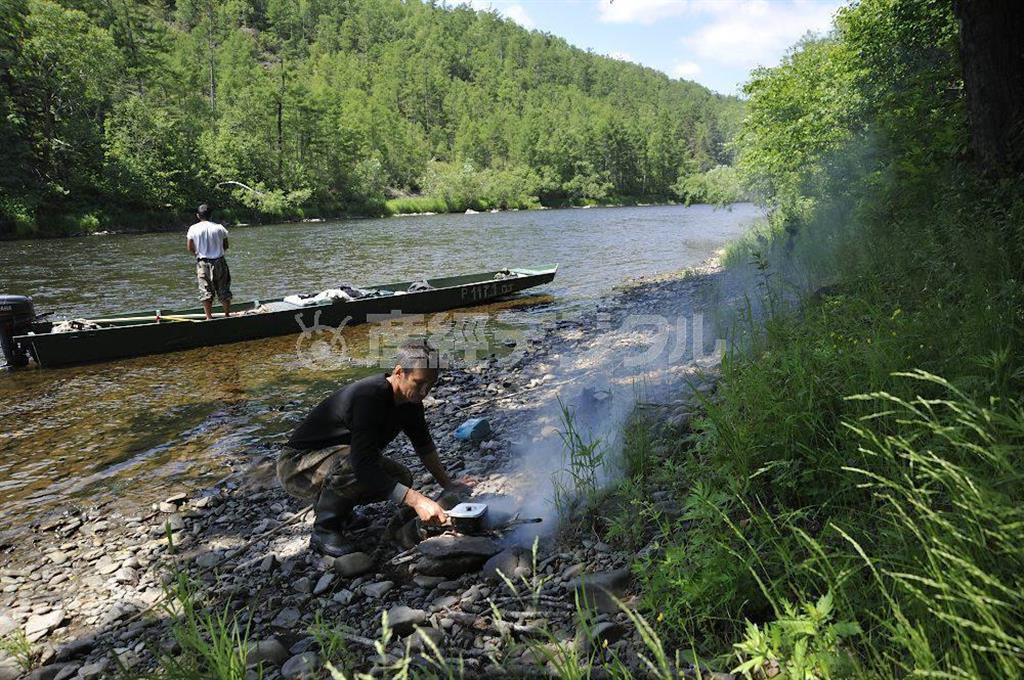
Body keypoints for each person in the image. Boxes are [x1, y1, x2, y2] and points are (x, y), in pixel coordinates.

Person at [277, 341, 471, 557]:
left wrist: (447, 483)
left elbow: (423, 445)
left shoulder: (411, 403)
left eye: (431, 385)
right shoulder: (369, 397)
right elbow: (362, 466)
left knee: (400, 477)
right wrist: (417, 500)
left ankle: (342, 513)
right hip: (296, 466)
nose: (424, 391)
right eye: (419, 383)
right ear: (399, 372)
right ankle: (325, 529)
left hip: (332, 460)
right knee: (354, 465)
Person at [186, 204, 232, 320]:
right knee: (224, 289)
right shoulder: (219, 228)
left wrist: (197, 253)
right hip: (219, 261)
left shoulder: (193, 228)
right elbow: (226, 245)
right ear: (211, 215)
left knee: (205, 290)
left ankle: (209, 318)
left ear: (198, 215)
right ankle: (227, 315)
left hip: (203, 262)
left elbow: (190, 247)